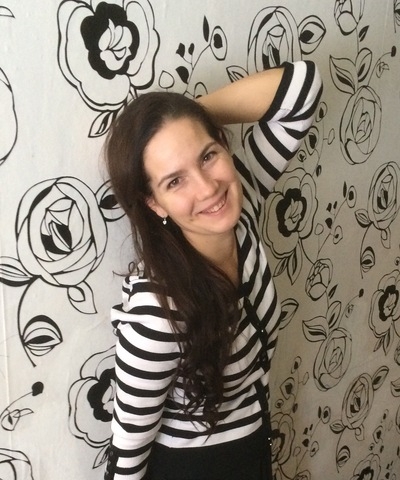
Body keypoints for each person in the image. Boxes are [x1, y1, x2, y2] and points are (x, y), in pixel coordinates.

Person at [104, 60, 323, 480]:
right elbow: (128, 449)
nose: (207, 188)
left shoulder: (240, 205)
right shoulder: (158, 312)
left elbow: (301, 90)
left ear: (223, 145)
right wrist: (187, 131)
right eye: (174, 181)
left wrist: (187, 116)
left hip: (253, 444)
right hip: (193, 468)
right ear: (154, 203)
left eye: (207, 155)